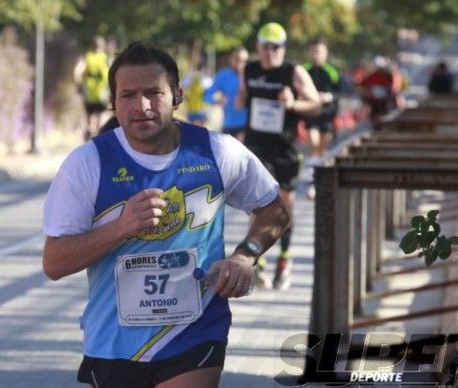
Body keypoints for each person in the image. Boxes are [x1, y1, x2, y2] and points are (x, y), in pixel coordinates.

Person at [42, 41, 290, 388]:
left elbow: (274, 209)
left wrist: (245, 256)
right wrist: (121, 228)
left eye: (153, 93)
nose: (141, 106)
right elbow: (54, 262)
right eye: (128, 95)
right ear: (112, 101)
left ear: (177, 95)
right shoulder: (88, 163)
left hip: (195, 332)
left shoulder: (216, 151)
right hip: (112, 342)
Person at [240, 22, 322, 290]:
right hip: (256, 148)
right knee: (258, 204)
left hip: (284, 149)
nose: (270, 53)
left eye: (276, 48)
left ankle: (284, 261)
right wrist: (240, 101)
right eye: (266, 47)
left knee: (284, 208)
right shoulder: (249, 70)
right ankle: (257, 259)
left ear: (284, 48)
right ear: (258, 47)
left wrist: (293, 103)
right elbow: (243, 97)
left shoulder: (293, 72)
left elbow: (316, 104)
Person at [302, 38, 341, 199]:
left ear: (325, 53)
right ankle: (312, 181)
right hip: (311, 113)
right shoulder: (304, 70)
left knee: (322, 149)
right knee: (313, 141)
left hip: (327, 114)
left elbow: (339, 93)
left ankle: (319, 179)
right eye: (314, 51)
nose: (316, 55)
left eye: (319, 51)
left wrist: (328, 97)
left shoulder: (332, 72)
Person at [203, 47, 249, 142]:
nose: (241, 63)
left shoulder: (251, 76)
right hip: (229, 124)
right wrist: (217, 100)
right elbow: (206, 95)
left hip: (247, 125)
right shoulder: (223, 75)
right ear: (231, 59)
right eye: (237, 59)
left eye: (244, 60)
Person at [74, 36, 110, 140]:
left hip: (88, 92)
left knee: (89, 116)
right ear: (102, 46)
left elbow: (77, 71)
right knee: (100, 116)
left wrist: (78, 85)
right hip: (102, 92)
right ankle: (99, 134)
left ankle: (89, 133)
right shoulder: (105, 58)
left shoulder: (87, 57)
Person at [181, 60, 213, 126]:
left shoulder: (190, 77)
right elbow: (211, 96)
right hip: (203, 110)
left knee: (193, 131)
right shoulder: (207, 79)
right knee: (201, 130)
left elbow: (181, 88)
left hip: (191, 108)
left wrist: (186, 99)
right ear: (205, 68)